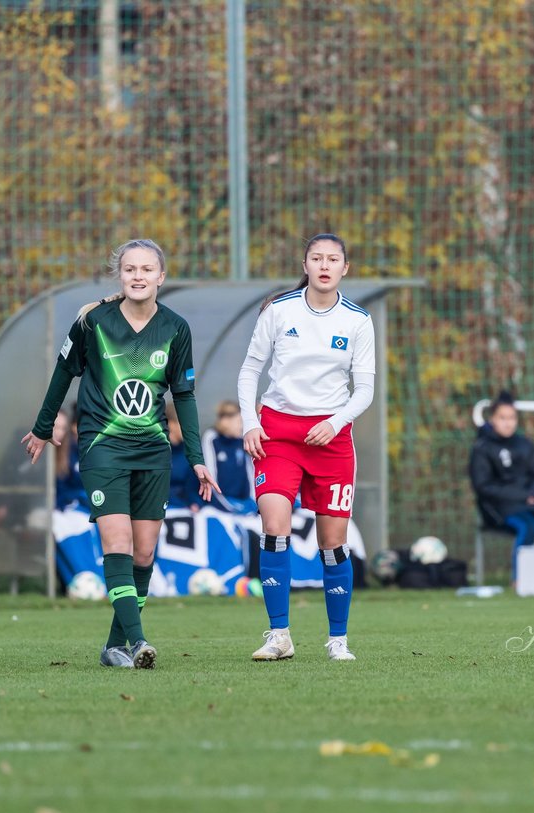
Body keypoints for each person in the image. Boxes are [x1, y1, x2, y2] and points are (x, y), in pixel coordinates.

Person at [22, 239, 219, 669]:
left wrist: (196, 456)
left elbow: (183, 395)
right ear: (120, 275)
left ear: (161, 277)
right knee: (118, 541)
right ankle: (139, 641)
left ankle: (114, 647)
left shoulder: (176, 328)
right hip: (102, 447)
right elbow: (63, 373)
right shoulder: (94, 321)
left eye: (147, 269)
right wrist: (42, 426)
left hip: (153, 452)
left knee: (144, 554)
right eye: (130, 269)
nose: (138, 276)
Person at [238, 233, 375, 662]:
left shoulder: (357, 320)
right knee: (274, 526)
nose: (324, 265)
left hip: (331, 440)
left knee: (332, 544)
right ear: (305, 263)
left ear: (344, 268)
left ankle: (338, 640)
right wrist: (250, 423)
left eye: (333, 259)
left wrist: (335, 422)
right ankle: (279, 636)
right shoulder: (279, 311)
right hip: (278, 434)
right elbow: (250, 371)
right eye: (317, 257)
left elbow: (365, 389)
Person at [468, 391, 534, 576]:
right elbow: (483, 486)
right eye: (502, 418)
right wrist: (522, 496)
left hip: (530, 503)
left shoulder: (525, 444)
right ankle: (520, 577)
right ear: (492, 419)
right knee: (527, 526)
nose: (508, 422)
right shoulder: (482, 448)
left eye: (512, 418)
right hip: (499, 507)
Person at [201, 400, 258, 515]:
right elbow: (210, 476)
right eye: (239, 421)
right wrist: (228, 506)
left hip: (243, 503)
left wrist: (253, 502)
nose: (242, 426)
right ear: (226, 421)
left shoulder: (242, 440)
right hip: (222, 505)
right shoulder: (211, 438)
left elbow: (250, 473)